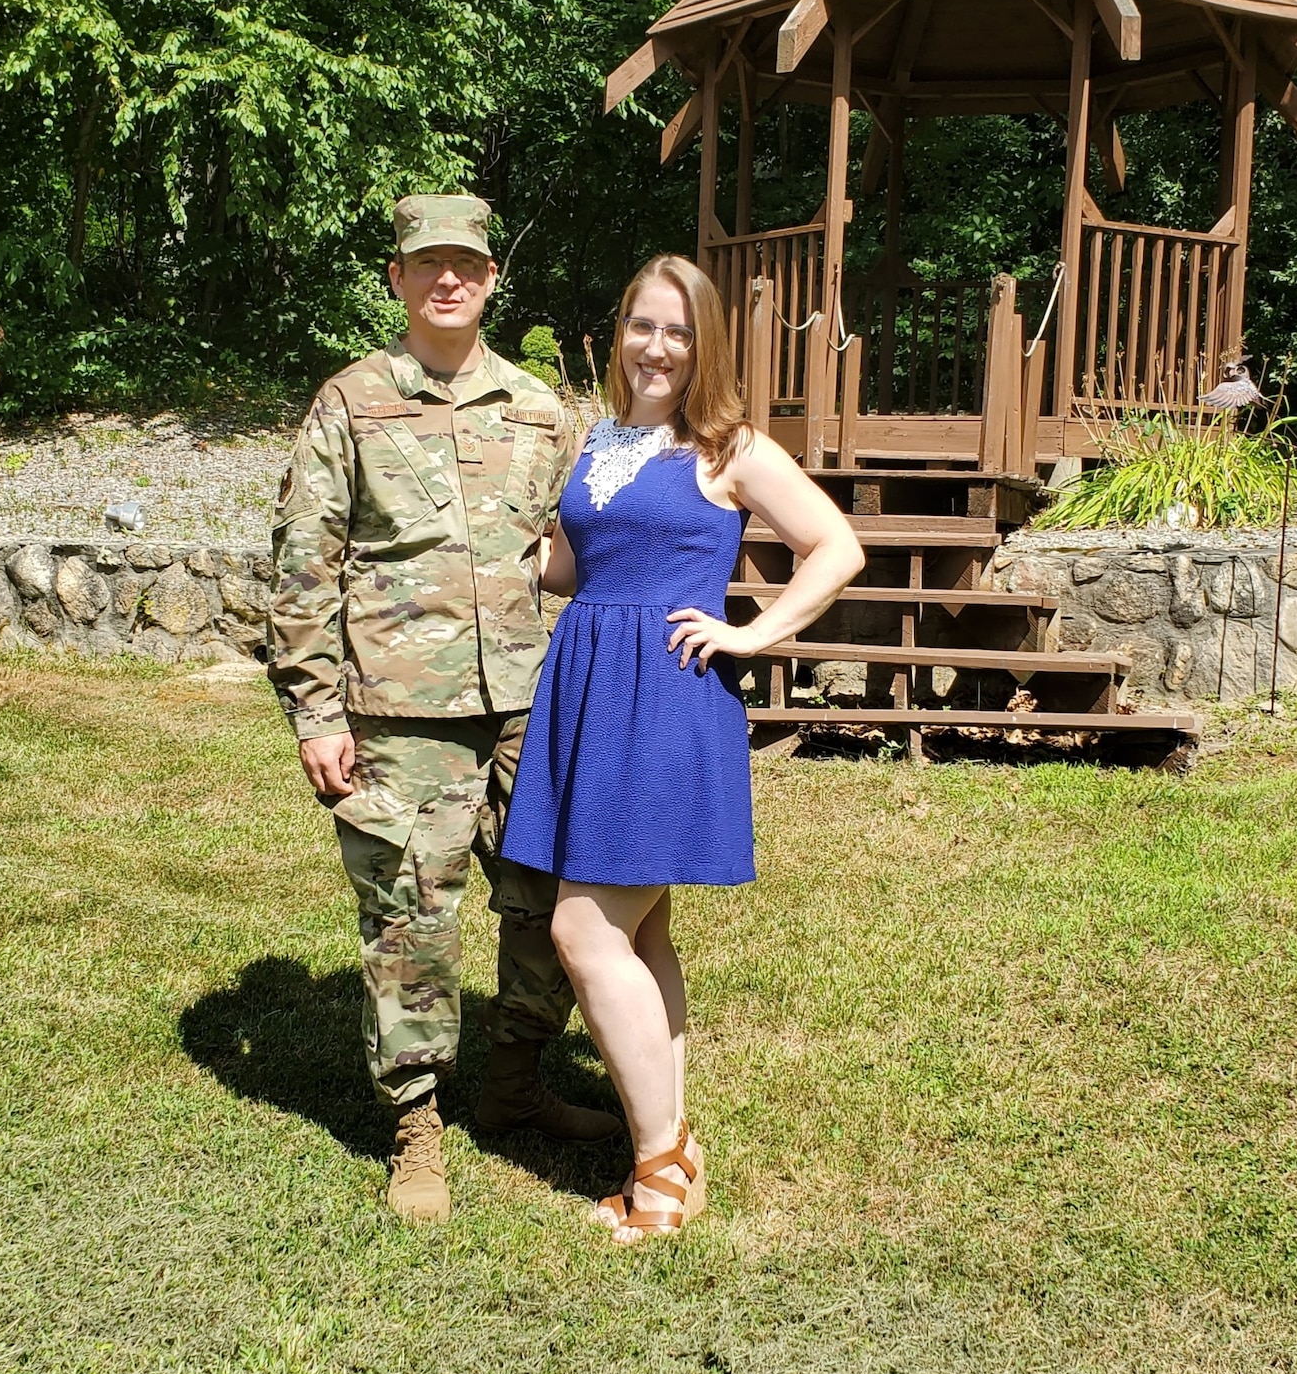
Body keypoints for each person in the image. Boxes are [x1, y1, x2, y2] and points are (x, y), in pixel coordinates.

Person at [268, 193, 620, 1226]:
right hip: (399, 708)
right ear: (398, 278)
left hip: (527, 702)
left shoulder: (539, 407)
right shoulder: (352, 402)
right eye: (428, 264)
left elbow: (587, 540)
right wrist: (314, 710)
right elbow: (303, 563)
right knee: (412, 920)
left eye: (466, 262)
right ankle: (416, 1128)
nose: (449, 279)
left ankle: (514, 1082)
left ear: (491, 278)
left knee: (552, 896)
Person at [502, 253, 866, 1243]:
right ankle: (671, 1144)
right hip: (589, 688)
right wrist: (482, 538)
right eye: (641, 326)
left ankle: (662, 1167)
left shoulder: (729, 446)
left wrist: (751, 630)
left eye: (677, 330)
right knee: (641, 930)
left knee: (583, 930)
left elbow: (836, 545)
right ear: (619, 331)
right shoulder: (603, 438)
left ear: (703, 343)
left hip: (663, 699)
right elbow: (578, 563)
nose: (656, 347)